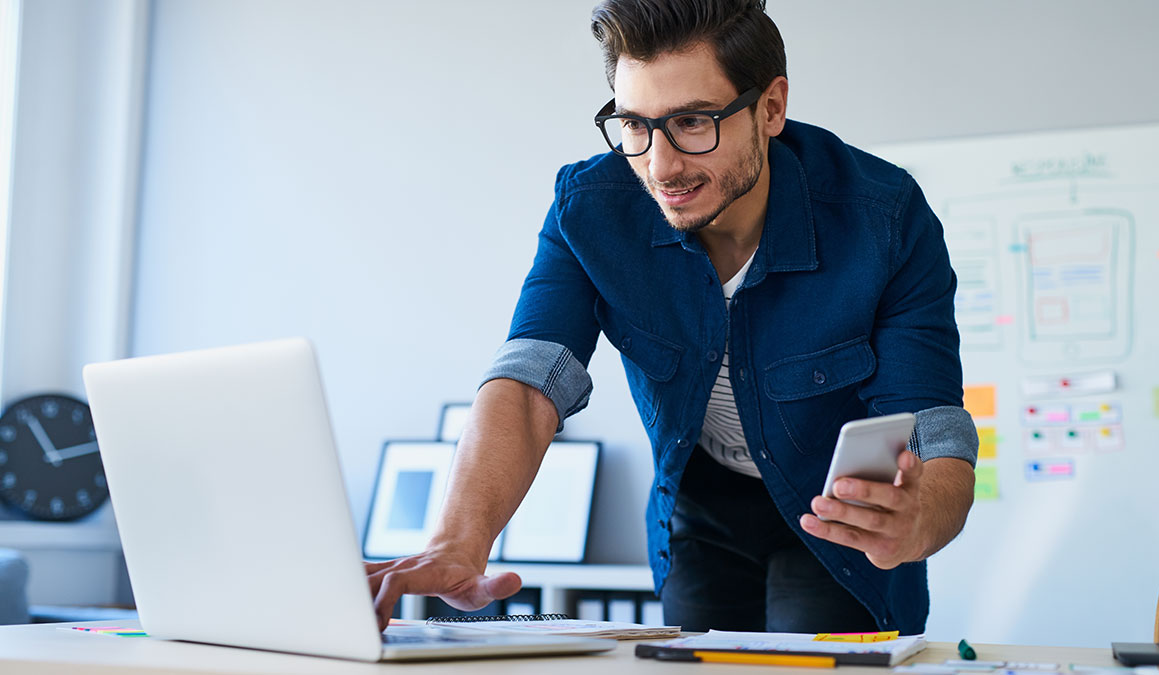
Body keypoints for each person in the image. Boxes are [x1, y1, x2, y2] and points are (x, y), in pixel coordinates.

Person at [366, 0, 978, 635]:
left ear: (770, 108)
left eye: (691, 122)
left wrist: (920, 518)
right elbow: (528, 381)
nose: (660, 166)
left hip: (838, 515)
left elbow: (932, 427)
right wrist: (457, 542)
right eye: (634, 125)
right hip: (701, 508)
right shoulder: (590, 211)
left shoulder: (885, 217)